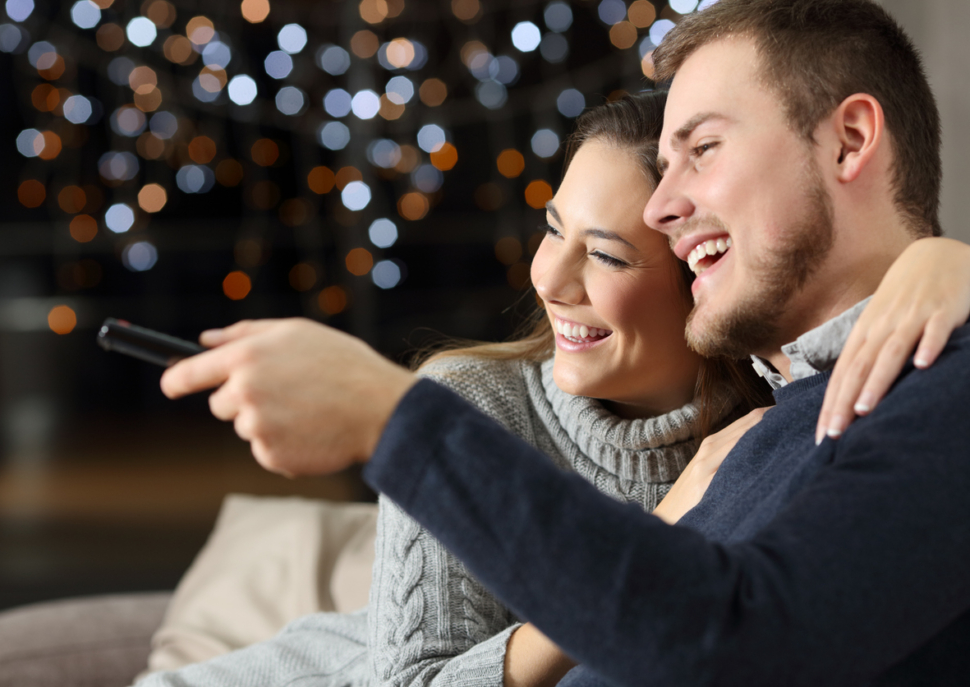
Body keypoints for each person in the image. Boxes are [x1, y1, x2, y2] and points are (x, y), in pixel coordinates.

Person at [161, 0, 970, 685]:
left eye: (705, 148)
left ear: (852, 140)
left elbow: (737, 639)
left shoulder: (932, 391)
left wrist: (391, 417)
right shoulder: (797, 396)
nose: (663, 206)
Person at [136, 92, 777, 687]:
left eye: (607, 255)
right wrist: (647, 547)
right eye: (554, 230)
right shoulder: (467, 404)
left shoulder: (775, 431)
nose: (550, 279)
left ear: (705, 273)